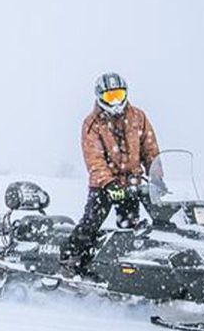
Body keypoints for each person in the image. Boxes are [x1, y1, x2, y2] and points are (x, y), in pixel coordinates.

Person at [60, 72, 160, 274]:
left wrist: (156, 175)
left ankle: (128, 267)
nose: (115, 102)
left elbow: (150, 148)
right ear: (100, 97)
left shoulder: (137, 117)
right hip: (103, 185)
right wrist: (108, 183)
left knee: (132, 227)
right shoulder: (92, 123)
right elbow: (94, 158)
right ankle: (70, 259)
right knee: (91, 222)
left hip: (132, 183)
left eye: (118, 95)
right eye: (110, 97)